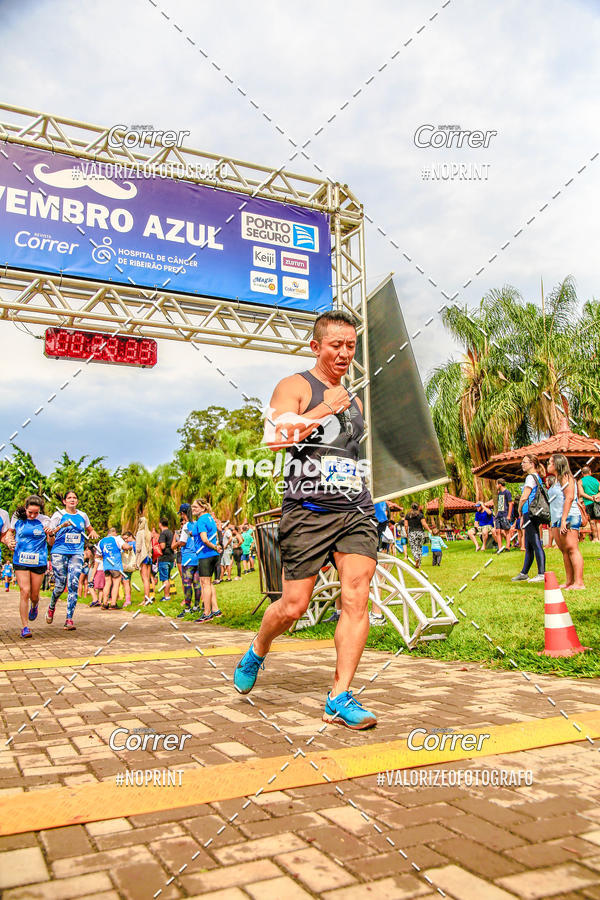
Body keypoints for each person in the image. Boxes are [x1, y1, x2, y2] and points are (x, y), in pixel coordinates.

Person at [234, 309, 379, 730]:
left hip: (354, 510)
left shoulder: (353, 399)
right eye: (336, 345)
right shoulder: (295, 386)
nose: (344, 353)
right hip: (308, 513)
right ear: (315, 346)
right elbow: (275, 437)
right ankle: (259, 647)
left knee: (357, 595)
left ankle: (339, 696)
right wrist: (324, 409)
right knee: (294, 606)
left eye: (350, 346)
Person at [46, 490, 99, 630]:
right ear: (64, 501)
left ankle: (69, 619)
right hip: (59, 552)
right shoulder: (58, 515)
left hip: (76, 553)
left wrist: (92, 531)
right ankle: (51, 606)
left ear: (77, 501)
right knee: (60, 585)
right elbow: (50, 535)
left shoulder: (82, 515)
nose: (72, 500)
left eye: (74, 498)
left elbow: (89, 528)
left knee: (74, 584)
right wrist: (57, 530)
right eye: (69, 498)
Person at [7, 496, 53, 638]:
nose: (33, 515)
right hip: (20, 559)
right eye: (30, 512)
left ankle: (34, 605)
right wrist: (10, 542)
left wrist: (50, 534)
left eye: (36, 513)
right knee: (24, 591)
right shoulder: (17, 517)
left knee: (34, 595)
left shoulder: (45, 520)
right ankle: (25, 627)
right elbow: (9, 533)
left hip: (38, 561)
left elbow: (51, 543)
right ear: (25, 508)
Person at [547, 454, 585, 589]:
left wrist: (563, 520)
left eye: (550, 462)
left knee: (572, 548)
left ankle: (579, 582)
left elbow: (569, 498)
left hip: (568, 516)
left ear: (557, 464)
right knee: (564, 550)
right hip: (557, 518)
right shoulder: (556, 480)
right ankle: (569, 581)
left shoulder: (566, 477)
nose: (548, 464)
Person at [511, 454, 546, 583]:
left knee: (535, 542)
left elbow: (525, 496)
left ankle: (541, 573)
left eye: (524, 462)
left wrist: (519, 509)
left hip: (529, 512)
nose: (522, 464)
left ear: (532, 464)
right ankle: (524, 572)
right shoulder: (537, 477)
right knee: (529, 544)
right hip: (532, 512)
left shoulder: (530, 477)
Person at [187, 498, 221, 622]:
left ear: (203, 508)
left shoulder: (201, 520)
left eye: (195, 507)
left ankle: (207, 613)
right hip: (213, 555)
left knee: (204, 584)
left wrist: (215, 547)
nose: (193, 509)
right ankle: (216, 610)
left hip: (205, 554)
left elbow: (205, 539)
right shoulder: (209, 518)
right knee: (209, 583)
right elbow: (212, 533)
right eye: (192, 507)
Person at [174, 504, 201, 617]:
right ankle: (197, 606)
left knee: (187, 583)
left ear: (183, 513)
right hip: (197, 556)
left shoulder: (186, 526)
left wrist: (176, 544)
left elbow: (183, 542)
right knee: (197, 583)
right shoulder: (197, 524)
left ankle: (187, 608)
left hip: (187, 558)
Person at [99, 527, 131, 609]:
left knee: (107, 583)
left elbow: (98, 554)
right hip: (116, 565)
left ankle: (105, 603)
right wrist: (130, 547)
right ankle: (113, 603)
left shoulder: (101, 541)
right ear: (114, 532)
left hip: (106, 565)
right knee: (116, 583)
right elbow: (125, 547)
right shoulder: (117, 538)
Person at [404, 503, 432, 569]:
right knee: (419, 547)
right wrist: (429, 530)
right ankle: (419, 564)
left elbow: (406, 525)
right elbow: (424, 524)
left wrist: (406, 533)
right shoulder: (420, 515)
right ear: (418, 507)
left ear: (411, 508)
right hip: (420, 533)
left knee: (413, 547)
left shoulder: (408, 515)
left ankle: (416, 558)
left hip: (412, 533)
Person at [579, 465, 600, 543]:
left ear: (582, 473)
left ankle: (595, 538)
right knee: (598, 521)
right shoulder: (596, 480)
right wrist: (596, 496)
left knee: (592, 521)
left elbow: (581, 493)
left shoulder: (580, 481)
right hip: (598, 502)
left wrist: (590, 498)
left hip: (588, 502)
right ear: (590, 472)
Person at [135, 516, 153, 604]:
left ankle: (146, 599)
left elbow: (138, 548)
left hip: (143, 557)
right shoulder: (149, 532)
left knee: (144, 579)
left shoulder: (139, 533)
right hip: (149, 556)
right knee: (148, 579)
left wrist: (136, 560)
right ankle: (148, 598)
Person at [156, 517, 175, 602]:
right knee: (167, 577)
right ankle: (168, 595)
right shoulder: (171, 533)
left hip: (164, 558)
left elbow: (162, 546)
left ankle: (166, 596)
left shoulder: (163, 533)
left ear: (160, 524)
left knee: (164, 579)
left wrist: (157, 546)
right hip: (171, 557)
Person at [494, 479, 513, 552]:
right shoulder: (499, 493)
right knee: (497, 531)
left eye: (496, 484)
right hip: (499, 514)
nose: (496, 486)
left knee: (507, 531)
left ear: (500, 484)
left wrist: (509, 515)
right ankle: (500, 548)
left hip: (505, 514)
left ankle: (508, 547)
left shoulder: (507, 492)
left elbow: (510, 503)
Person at [120, 531, 136, 607]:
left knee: (125, 582)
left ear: (131, 536)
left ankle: (127, 600)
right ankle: (128, 598)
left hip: (127, 566)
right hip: (131, 566)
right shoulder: (136, 543)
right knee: (127, 581)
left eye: (126, 538)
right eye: (124, 539)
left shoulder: (130, 544)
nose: (125, 540)